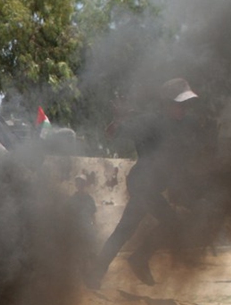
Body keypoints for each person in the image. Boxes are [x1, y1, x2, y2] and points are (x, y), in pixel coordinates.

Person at [87, 78, 211, 289]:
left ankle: (97, 273)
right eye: (179, 103)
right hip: (142, 183)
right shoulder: (149, 122)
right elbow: (111, 134)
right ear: (166, 103)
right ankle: (138, 259)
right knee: (171, 223)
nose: (183, 108)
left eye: (186, 104)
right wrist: (119, 119)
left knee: (124, 230)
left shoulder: (185, 125)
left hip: (154, 186)